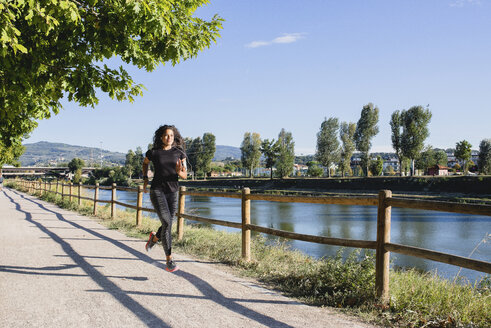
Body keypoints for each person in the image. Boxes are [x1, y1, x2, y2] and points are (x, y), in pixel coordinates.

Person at [142, 125, 187, 272]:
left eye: (172, 136)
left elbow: (185, 175)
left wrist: (179, 172)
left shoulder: (179, 153)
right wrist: (145, 178)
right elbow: (145, 163)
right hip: (157, 190)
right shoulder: (153, 152)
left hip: (173, 191)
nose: (169, 138)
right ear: (161, 137)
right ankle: (169, 260)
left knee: (168, 224)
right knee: (167, 222)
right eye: (166, 135)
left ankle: (154, 239)